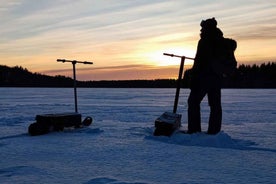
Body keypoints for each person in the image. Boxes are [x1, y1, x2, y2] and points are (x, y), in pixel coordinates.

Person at [187, 17, 225, 134]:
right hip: (217, 78)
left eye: (202, 28)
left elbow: (199, 61)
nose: (201, 30)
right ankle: (214, 132)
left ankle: (194, 131)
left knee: (193, 102)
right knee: (215, 105)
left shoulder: (204, 41)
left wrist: (193, 76)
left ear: (206, 28)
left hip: (204, 77)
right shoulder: (221, 40)